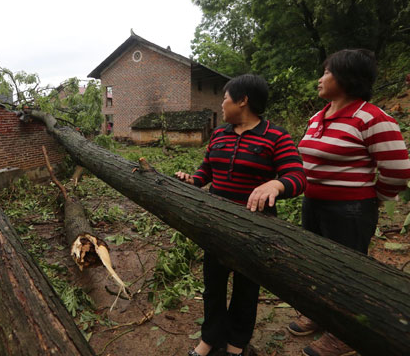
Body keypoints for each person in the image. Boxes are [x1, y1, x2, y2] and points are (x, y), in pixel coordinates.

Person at [175, 74, 306, 356]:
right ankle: (209, 340)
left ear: (243, 100)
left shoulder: (276, 136)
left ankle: (236, 345)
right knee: (213, 286)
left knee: (246, 290)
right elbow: (205, 172)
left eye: (225, 97)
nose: (222, 104)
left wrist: (277, 183)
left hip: (254, 228)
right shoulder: (219, 134)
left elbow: (297, 176)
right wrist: (191, 180)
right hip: (216, 224)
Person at [294, 49, 410, 356]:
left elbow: (398, 169)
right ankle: (320, 315)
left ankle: (345, 333)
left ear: (347, 78)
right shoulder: (318, 116)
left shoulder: (372, 118)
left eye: (327, 72)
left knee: (346, 271)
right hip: (314, 204)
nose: (320, 79)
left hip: (350, 211)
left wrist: (373, 199)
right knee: (317, 264)